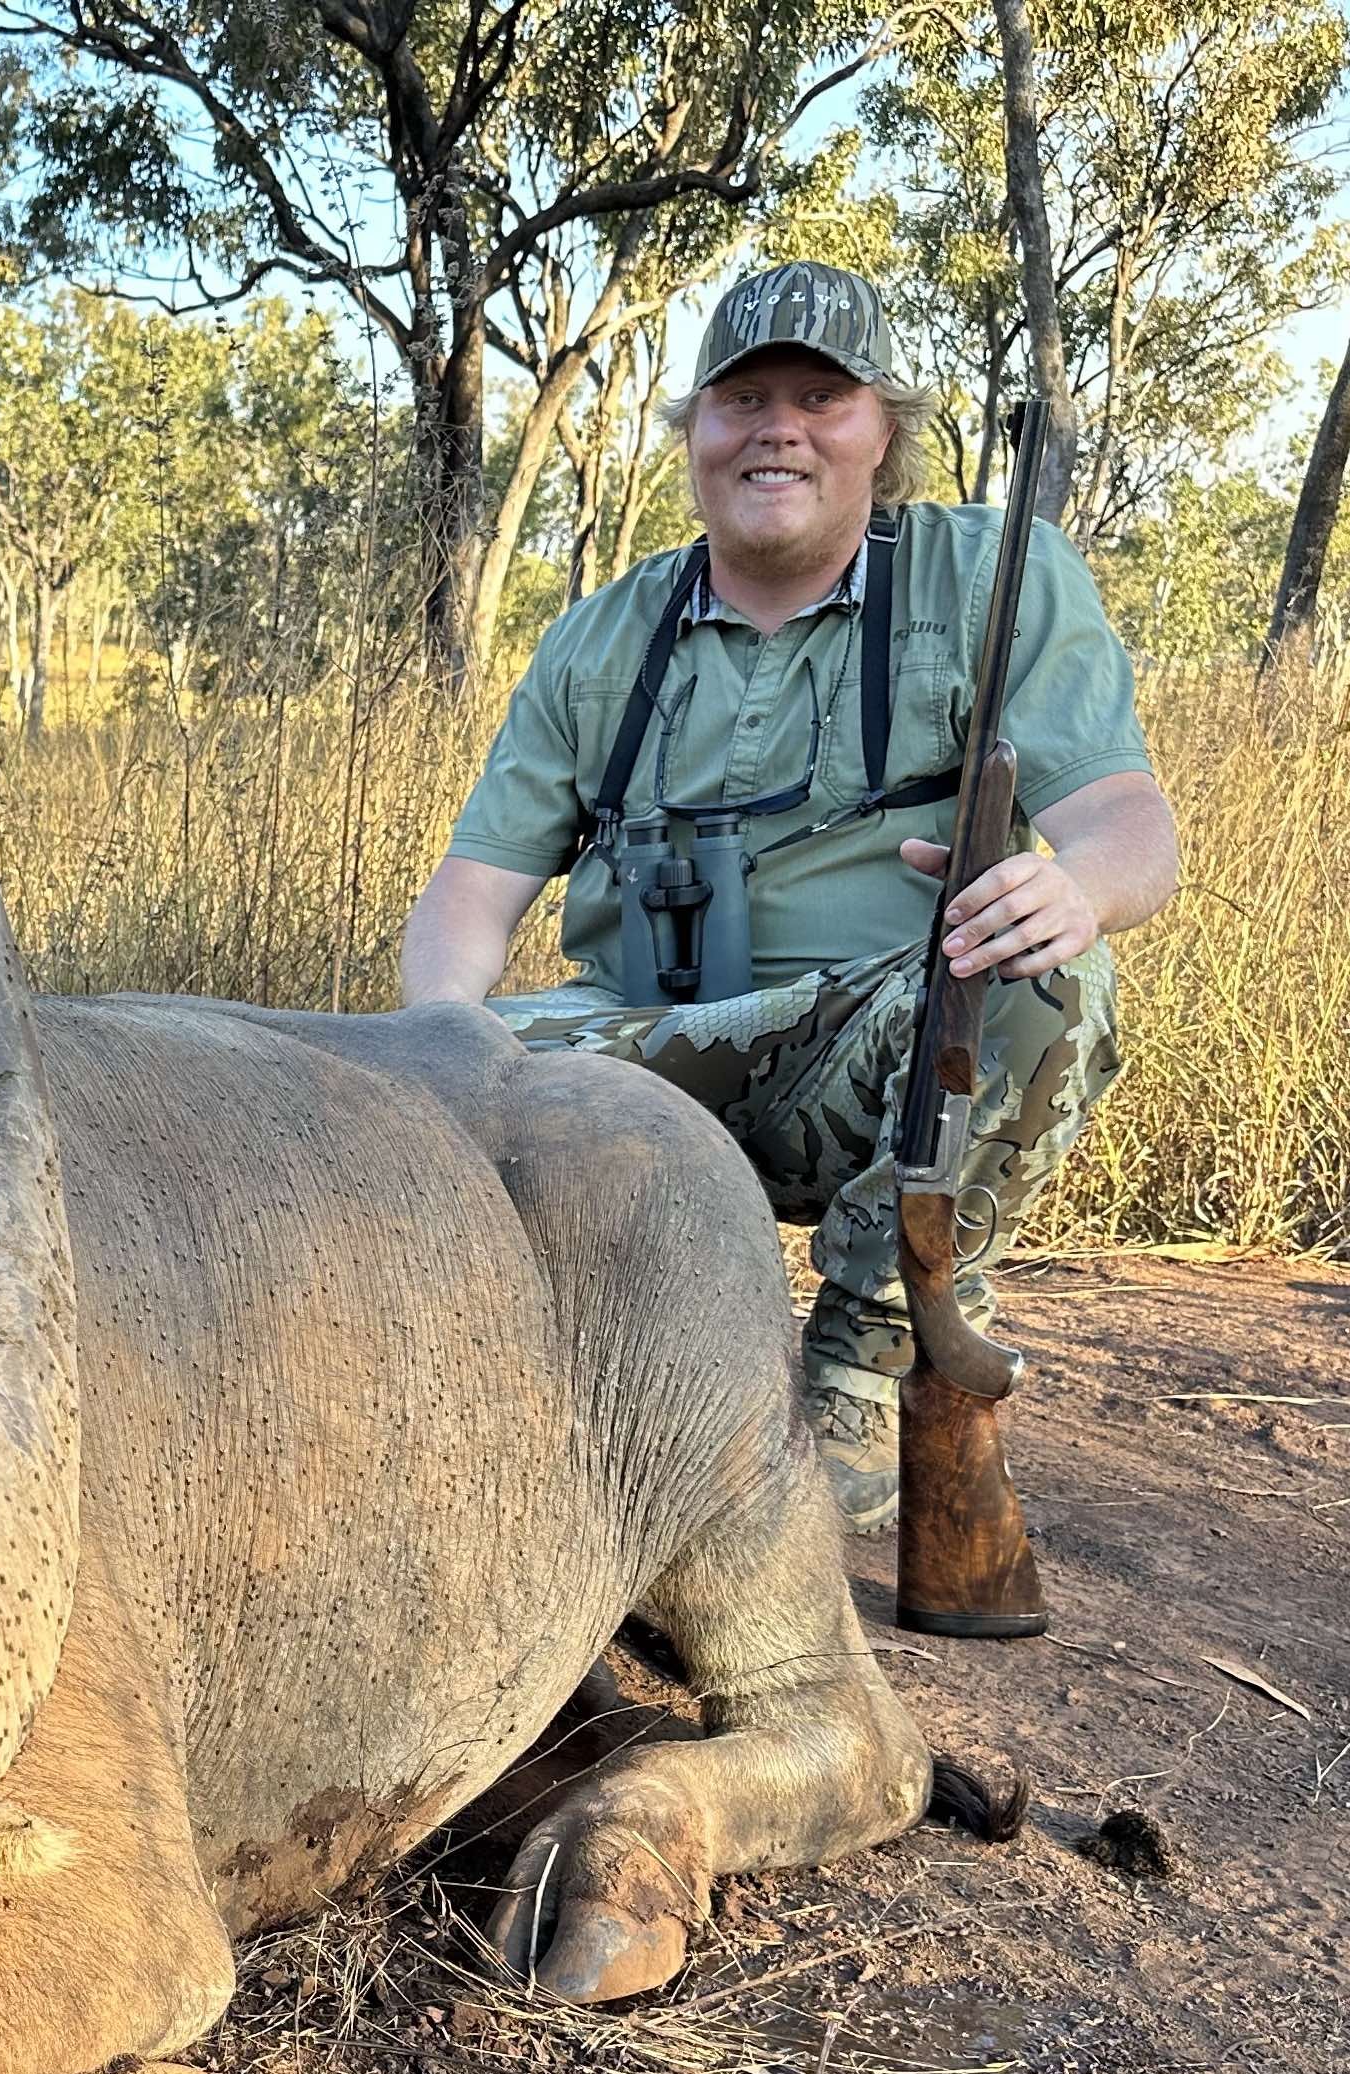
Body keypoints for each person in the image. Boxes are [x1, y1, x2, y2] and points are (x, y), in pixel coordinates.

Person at [399, 258, 1181, 1530]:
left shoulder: (993, 575)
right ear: (694, 434)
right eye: (741, 397)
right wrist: (444, 1043)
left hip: (872, 1056)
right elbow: (471, 896)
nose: (779, 426)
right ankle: (510, 1389)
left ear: (886, 432)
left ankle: (874, 1349)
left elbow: (1129, 829)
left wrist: (1070, 888)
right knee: (389, 1075)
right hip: (636, 1054)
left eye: (823, 397)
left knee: (1046, 971)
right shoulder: (599, 634)